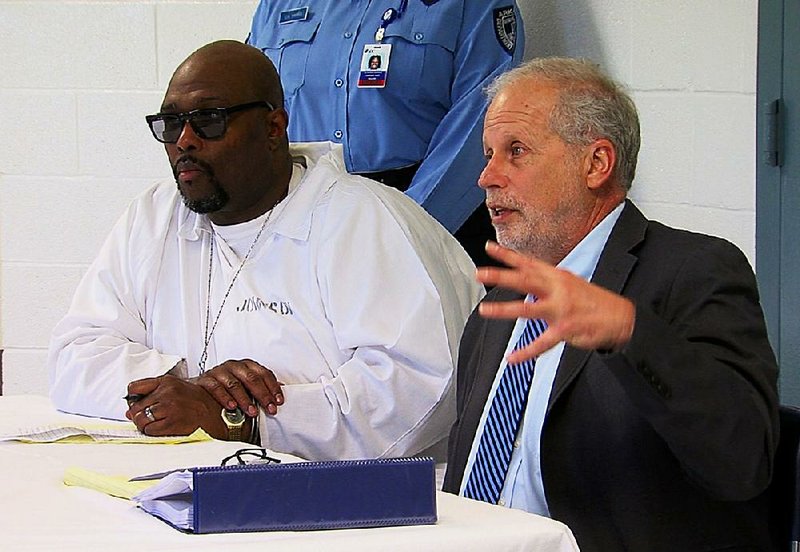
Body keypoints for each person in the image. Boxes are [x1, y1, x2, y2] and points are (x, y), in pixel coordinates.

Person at [47, 40, 484, 463]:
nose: (184, 141)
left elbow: (419, 390)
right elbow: (74, 358)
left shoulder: (363, 220)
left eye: (208, 120)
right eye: (170, 124)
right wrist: (191, 387)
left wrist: (237, 418)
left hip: (357, 507)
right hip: (193, 487)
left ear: (273, 127)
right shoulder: (153, 217)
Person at [442, 57, 779, 551]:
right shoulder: (501, 303)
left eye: (516, 152)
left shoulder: (694, 270)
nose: (487, 177)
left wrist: (628, 331)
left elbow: (743, 463)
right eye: (488, 154)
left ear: (596, 164)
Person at [246, 0, 525, 267]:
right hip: (300, 223)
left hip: (433, 217)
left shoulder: (471, 4)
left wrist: (402, 231)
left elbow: (477, 125)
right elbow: (249, 111)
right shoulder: (277, 4)